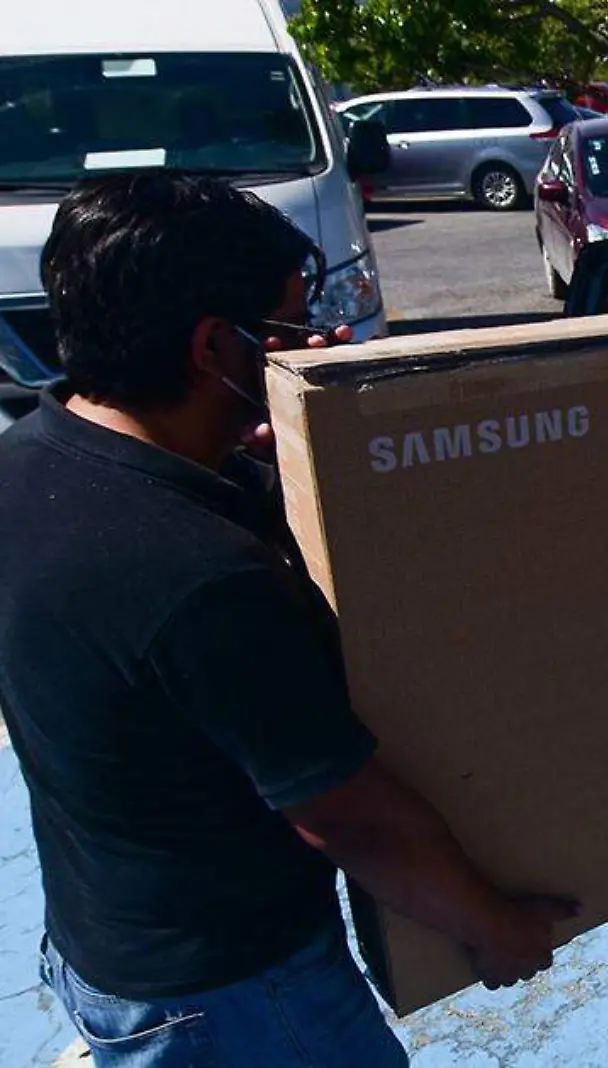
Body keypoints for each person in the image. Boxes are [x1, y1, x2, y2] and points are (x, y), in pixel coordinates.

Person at [0, 173, 575, 1067]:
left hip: (107, 942)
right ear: (212, 347)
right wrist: (496, 926)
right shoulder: (197, 576)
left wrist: (292, 464)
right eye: (285, 331)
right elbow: (353, 819)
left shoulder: (34, 458)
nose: (310, 347)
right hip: (231, 994)